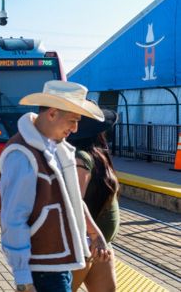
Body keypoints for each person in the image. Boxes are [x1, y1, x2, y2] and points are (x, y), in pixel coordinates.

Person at [0, 80, 111, 292]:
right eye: (73, 120)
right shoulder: (22, 155)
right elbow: (13, 219)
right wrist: (23, 279)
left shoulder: (56, 148)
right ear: (52, 113)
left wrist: (95, 235)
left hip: (58, 264)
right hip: (42, 269)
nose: (75, 128)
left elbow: (73, 200)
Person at [68, 109, 120, 292]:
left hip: (99, 247)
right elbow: (74, 203)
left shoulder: (93, 155)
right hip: (86, 244)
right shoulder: (80, 158)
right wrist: (95, 235)